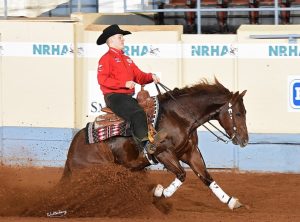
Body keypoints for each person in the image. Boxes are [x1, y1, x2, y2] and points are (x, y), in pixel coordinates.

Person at [96, 24, 166, 154]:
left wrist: (151, 76)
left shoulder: (127, 59)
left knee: (148, 110)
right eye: (120, 37)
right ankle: (145, 146)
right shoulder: (106, 59)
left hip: (126, 98)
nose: (123, 39)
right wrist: (123, 83)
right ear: (111, 40)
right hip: (114, 97)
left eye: (122, 37)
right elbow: (102, 79)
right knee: (137, 113)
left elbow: (139, 76)